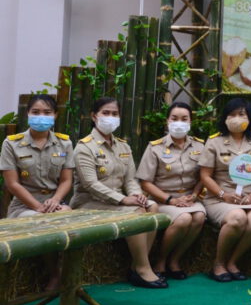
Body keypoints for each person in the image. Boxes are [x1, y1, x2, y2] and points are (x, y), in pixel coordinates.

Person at [71, 97, 165, 289]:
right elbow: (90, 184)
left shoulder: (123, 146)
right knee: (137, 213)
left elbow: (130, 179)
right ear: (94, 116)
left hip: (117, 202)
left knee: (152, 205)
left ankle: (136, 265)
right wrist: (123, 200)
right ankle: (143, 268)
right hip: (89, 202)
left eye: (115, 114)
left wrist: (137, 195)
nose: (110, 117)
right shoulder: (84, 147)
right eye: (105, 113)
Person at [0, 94, 74, 290]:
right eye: (36, 112)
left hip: (55, 202)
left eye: (47, 112)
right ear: (28, 114)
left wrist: (56, 200)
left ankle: (72, 276)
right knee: (43, 222)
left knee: (72, 220)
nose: (41, 116)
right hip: (24, 206)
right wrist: (39, 206)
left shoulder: (64, 143)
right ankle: (55, 275)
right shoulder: (11, 143)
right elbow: (12, 184)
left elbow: (67, 180)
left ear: (55, 115)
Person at [200, 98, 251, 282]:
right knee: (237, 217)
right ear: (225, 118)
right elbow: (205, 175)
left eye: (241, 114)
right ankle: (218, 264)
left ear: (249, 118)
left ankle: (232, 262)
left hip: (248, 197)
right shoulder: (215, 142)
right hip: (219, 198)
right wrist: (223, 194)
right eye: (232, 114)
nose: (236, 119)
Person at [136, 102, 207, 280]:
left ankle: (175, 260)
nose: (179, 123)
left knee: (198, 217)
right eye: (174, 118)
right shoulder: (155, 147)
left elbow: (204, 176)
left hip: (190, 199)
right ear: (167, 121)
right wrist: (170, 200)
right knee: (183, 219)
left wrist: (194, 195)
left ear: (191, 122)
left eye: (184, 119)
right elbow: (145, 182)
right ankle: (160, 260)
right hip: (163, 199)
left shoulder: (200, 146)